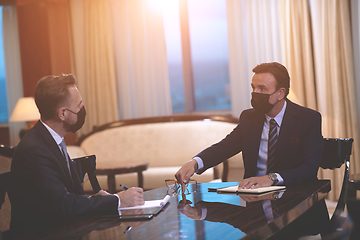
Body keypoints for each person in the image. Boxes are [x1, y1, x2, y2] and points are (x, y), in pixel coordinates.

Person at [8, 74, 144, 230]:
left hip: (65, 227)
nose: (82, 109)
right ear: (63, 114)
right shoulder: (33, 150)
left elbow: (71, 197)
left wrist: (101, 199)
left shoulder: (52, 139)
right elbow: (63, 205)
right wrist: (118, 200)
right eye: (79, 105)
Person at [175, 62, 323, 191]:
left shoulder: (308, 119)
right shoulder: (249, 118)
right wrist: (194, 163)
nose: (255, 93)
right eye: (254, 88)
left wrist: (271, 179)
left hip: (293, 193)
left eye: (262, 89)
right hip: (253, 197)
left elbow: (309, 168)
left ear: (280, 93)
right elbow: (225, 147)